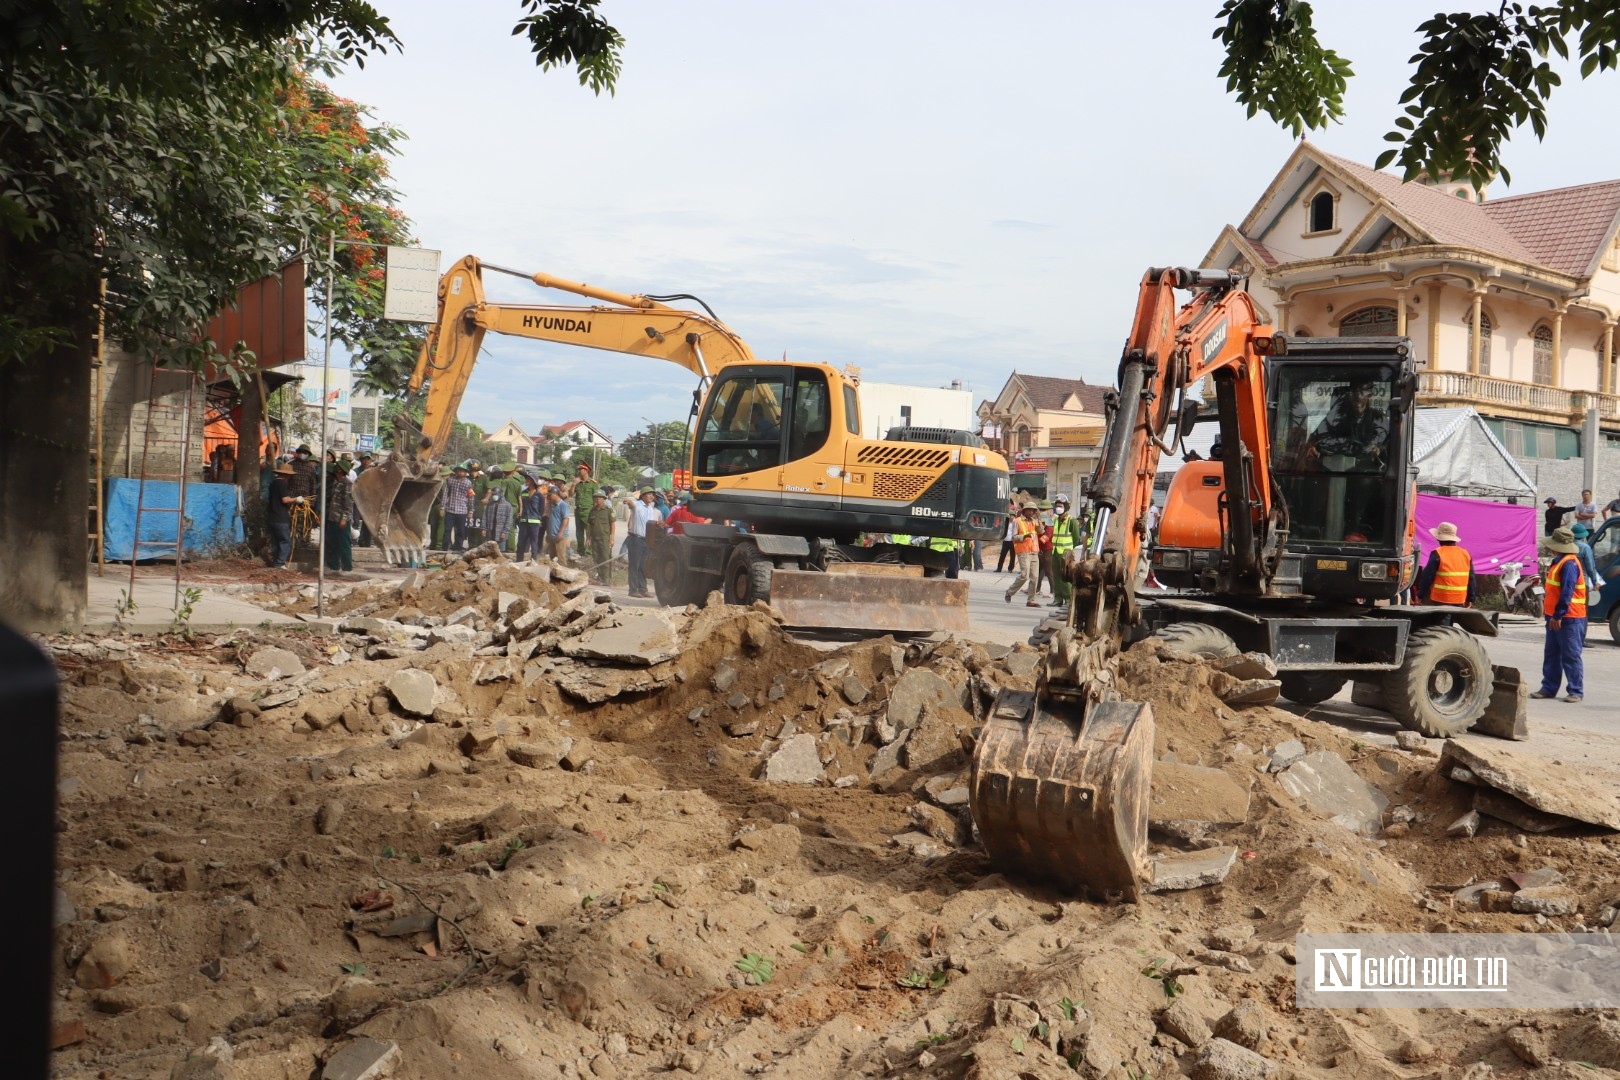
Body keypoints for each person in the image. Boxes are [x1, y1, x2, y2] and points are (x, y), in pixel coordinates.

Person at [1531, 527, 1586, 703]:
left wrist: (1558, 615)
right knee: (1552, 653)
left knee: (1570, 655)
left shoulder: (1569, 564)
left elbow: (1567, 592)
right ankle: (1548, 688)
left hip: (1568, 617)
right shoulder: (1560, 561)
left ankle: (1576, 691)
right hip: (1555, 616)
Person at [1414, 521, 1473, 606]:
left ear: (1438, 538)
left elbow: (1427, 576)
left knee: (1441, 619)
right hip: (1460, 599)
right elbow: (1471, 578)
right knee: (1455, 619)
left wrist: (1420, 595)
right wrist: (1469, 598)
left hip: (1440, 598)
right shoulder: (1465, 554)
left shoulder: (1437, 553)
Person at [1003, 501, 1044, 607]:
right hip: (1023, 551)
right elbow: (1014, 537)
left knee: (1034, 577)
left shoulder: (1034, 521)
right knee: (1024, 575)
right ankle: (1010, 592)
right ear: (1024, 510)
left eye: (1034, 511)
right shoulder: (1018, 521)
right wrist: (1025, 536)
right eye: (1030, 510)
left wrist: (1039, 518)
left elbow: (1041, 531)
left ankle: (1031, 600)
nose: (1032, 512)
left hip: (1034, 551)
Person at [627, 488, 664, 598]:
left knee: (643, 566)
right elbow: (631, 505)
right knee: (634, 565)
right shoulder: (637, 505)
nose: (652, 497)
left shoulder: (651, 509)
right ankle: (633, 590)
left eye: (653, 495)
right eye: (649, 494)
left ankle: (643, 589)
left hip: (647, 540)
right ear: (643, 496)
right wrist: (628, 502)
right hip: (636, 539)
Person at [1049, 494, 1083, 608]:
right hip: (1055, 552)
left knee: (1066, 577)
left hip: (1065, 554)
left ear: (1066, 507)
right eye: (1057, 505)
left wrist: (1069, 551)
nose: (1058, 507)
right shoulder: (1056, 520)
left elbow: (1076, 537)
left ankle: (1068, 599)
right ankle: (1058, 598)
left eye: (1060, 505)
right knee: (1056, 577)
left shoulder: (1072, 521)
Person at [323, 459, 354, 572]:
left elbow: (348, 504)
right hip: (332, 517)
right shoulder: (336, 482)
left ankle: (347, 568)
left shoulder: (347, 484)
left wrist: (344, 519)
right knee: (333, 543)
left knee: (344, 544)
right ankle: (334, 566)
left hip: (341, 519)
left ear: (340, 470)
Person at [266, 461, 295, 569]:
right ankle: (280, 563)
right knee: (285, 540)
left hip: (272, 516)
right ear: (287, 475)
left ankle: (275, 561)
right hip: (280, 517)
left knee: (275, 540)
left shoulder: (273, 483)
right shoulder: (282, 483)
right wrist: (296, 499)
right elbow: (285, 500)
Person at [442, 463, 474, 552]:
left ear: (465, 472)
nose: (460, 472)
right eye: (458, 471)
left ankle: (458, 546)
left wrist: (471, 510)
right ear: (456, 471)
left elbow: (471, 497)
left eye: (462, 471)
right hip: (450, 509)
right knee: (447, 530)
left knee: (460, 530)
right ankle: (445, 547)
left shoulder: (468, 483)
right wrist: (442, 507)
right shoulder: (450, 480)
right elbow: (445, 494)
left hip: (462, 510)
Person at [515, 473, 546, 561]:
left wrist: (538, 517)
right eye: (527, 478)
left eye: (529, 479)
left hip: (534, 522)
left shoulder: (539, 495)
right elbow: (521, 505)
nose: (527, 480)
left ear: (533, 481)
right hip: (524, 521)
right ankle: (519, 561)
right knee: (521, 543)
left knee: (534, 543)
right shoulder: (523, 493)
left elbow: (541, 509)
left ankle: (533, 560)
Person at [587, 490, 615, 584]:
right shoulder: (592, 510)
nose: (598, 499)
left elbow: (613, 524)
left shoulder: (608, 510)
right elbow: (590, 525)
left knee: (605, 557)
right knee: (596, 557)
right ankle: (600, 576)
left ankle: (606, 579)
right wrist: (588, 538)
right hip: (594, 538)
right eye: (597, 497)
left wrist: (612, 538)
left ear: (604, 499)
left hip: (604, 538)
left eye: (600, 497)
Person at [570, 462, 599, 551]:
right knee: (579, 532)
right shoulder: (577, 483)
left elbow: (596, 497)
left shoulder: (593, 483)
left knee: (589, 531)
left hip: (588, 510)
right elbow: (570, 494)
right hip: (578, 509)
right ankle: (580, 550)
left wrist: (595, 511)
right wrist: (574, 484)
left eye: (581, 469)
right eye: (579, 469)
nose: (579, 471)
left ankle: (589, 550)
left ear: (586, 471)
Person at [482, 483, 515, 550]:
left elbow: (509, 520)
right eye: (493, 494)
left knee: (500, 552)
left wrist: (504, 532)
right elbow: (485, 517)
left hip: (501, 534)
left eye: (496, 494)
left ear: (501, 494)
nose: (494, 496)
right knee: (489, 551)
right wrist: (484, 529)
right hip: (490, 533)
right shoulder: (490, 505)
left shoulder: (507, 506)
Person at [545, 487, 574, 563]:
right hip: (552, 536)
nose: (548, 497)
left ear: (555, 495)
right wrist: (548, 533)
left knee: (561, 557)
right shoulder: (552, 505)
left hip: (560, 536)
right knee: (552, 557)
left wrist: (561, 532)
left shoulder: (563, 505)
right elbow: (550, 520)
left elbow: (566, 519)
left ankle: (563, 573)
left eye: (550, 495)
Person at [996, 501, 1019, 572]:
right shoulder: (1006, 522)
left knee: (1012, 556)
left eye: (1011, 516)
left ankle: (1010, 568)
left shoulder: (1016, 522)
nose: (1010, 517)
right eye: (1009, 516)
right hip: (1006, 540)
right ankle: (999, 568)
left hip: (1013, 541)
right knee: (1002, 554)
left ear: (1014, 516)